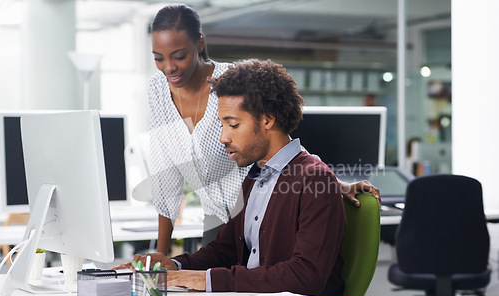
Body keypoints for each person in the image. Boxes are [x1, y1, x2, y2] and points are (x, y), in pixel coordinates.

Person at [145, 4, 380, 256]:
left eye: (178, 56)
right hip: (217, 218)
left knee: (258, 280)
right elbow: (165, 177)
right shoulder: (158, 91)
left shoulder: (231, 82)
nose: (168, 67)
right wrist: (160, 256)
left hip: (265, 208)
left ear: (199, 43)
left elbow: (278, 139)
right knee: (207, 282)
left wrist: (329, 183)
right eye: (158, 58)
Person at [120, 59, 350, 296]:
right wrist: (177, 266)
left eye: (233, 124)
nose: (223, 137)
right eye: (222, 124)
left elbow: (307, 276)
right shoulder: (255, 177)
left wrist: (204, 279)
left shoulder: (314, 180)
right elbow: (224, 250)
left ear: (267, 120)